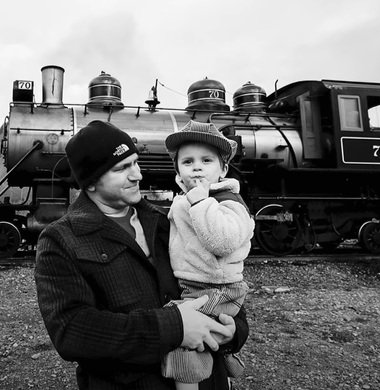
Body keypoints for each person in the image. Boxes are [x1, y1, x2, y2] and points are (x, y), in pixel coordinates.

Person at [34, 120, 249, 390]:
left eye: (135, 163)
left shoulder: (166, 220)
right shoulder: (61, 240)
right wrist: (174, 327)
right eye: (122, 168)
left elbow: (221, 279)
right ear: (90, 183)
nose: (137, 175)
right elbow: (72, 332)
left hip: (208, 379)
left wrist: (233, 332)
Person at [162, 120, 255, 390]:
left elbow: (222, 241)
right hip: (197, 284)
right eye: (188, 161)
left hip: (217, 287)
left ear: (223, 168)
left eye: (207, 160)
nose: (197, 167)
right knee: (195, 334)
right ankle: (224, 365)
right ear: (178, 170)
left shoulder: (227, 201)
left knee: (182, 339)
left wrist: (201, 201)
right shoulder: (188, 197)